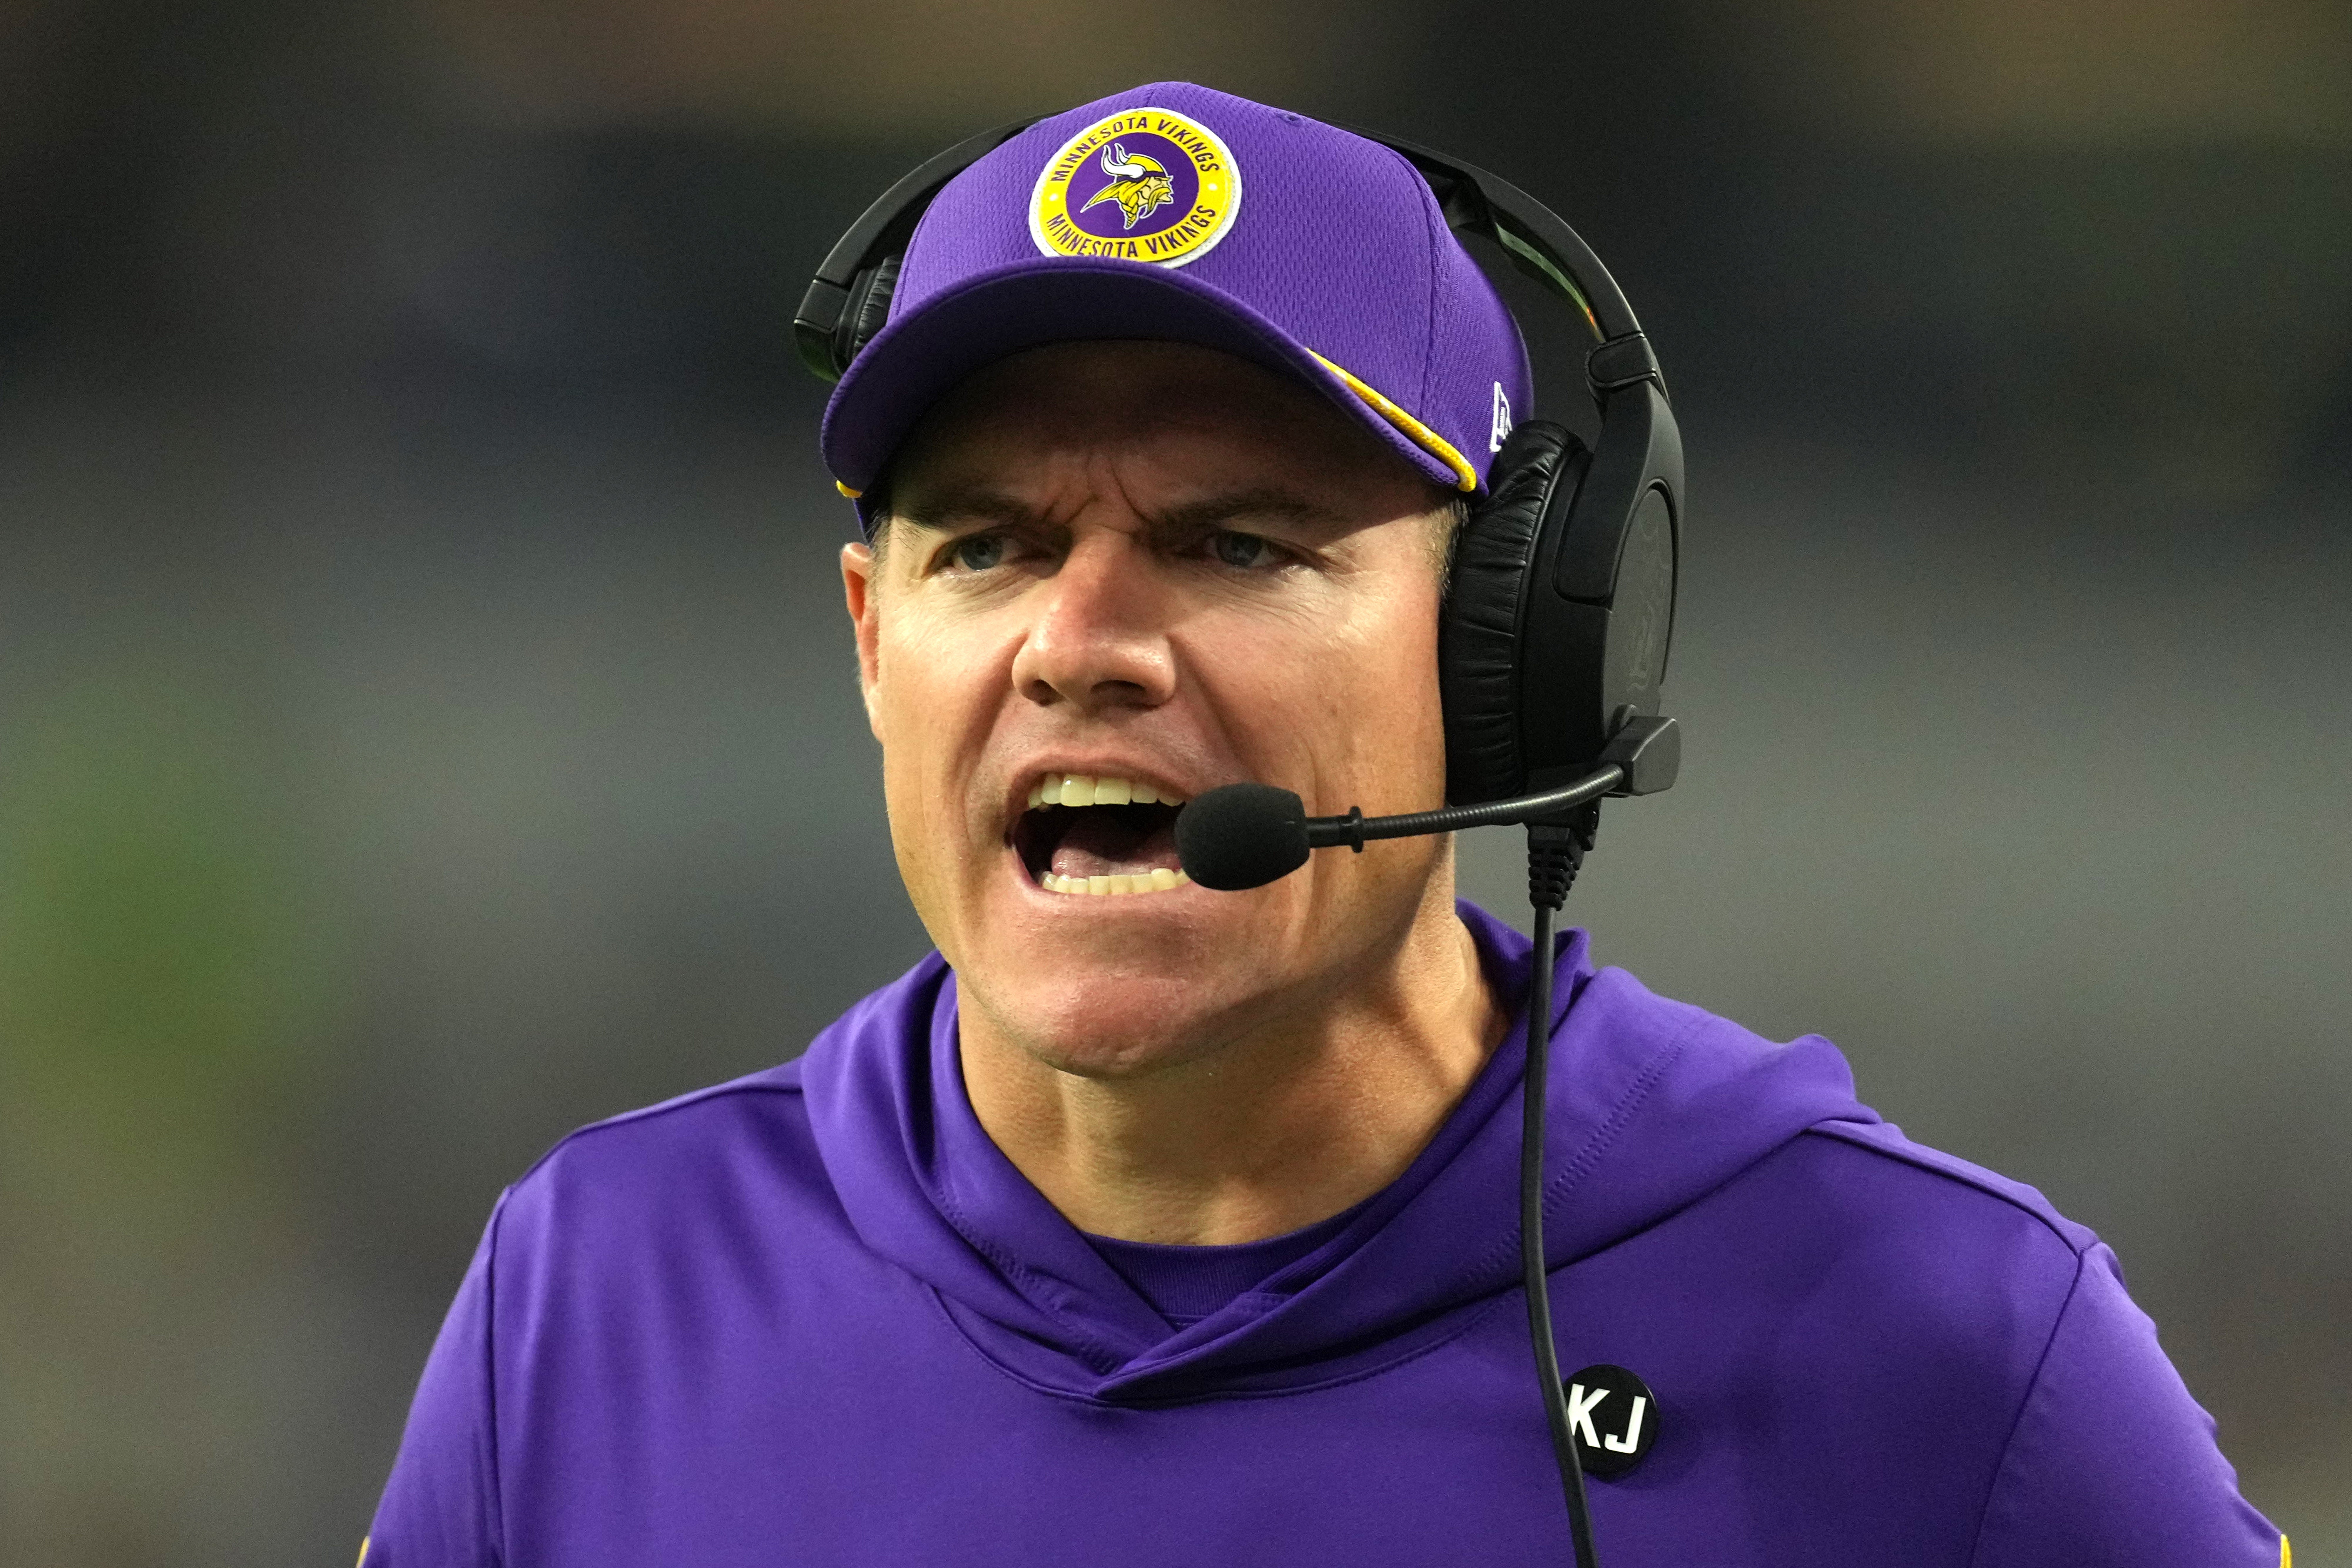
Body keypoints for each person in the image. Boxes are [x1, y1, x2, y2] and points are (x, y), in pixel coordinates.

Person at [362, 81, 2286, 1567]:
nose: (1083, 642)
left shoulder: (1940, 1347)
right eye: (987, 545)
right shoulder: (594, 1296)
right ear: (873, 644)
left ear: (1503, 649)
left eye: (1234, 543)